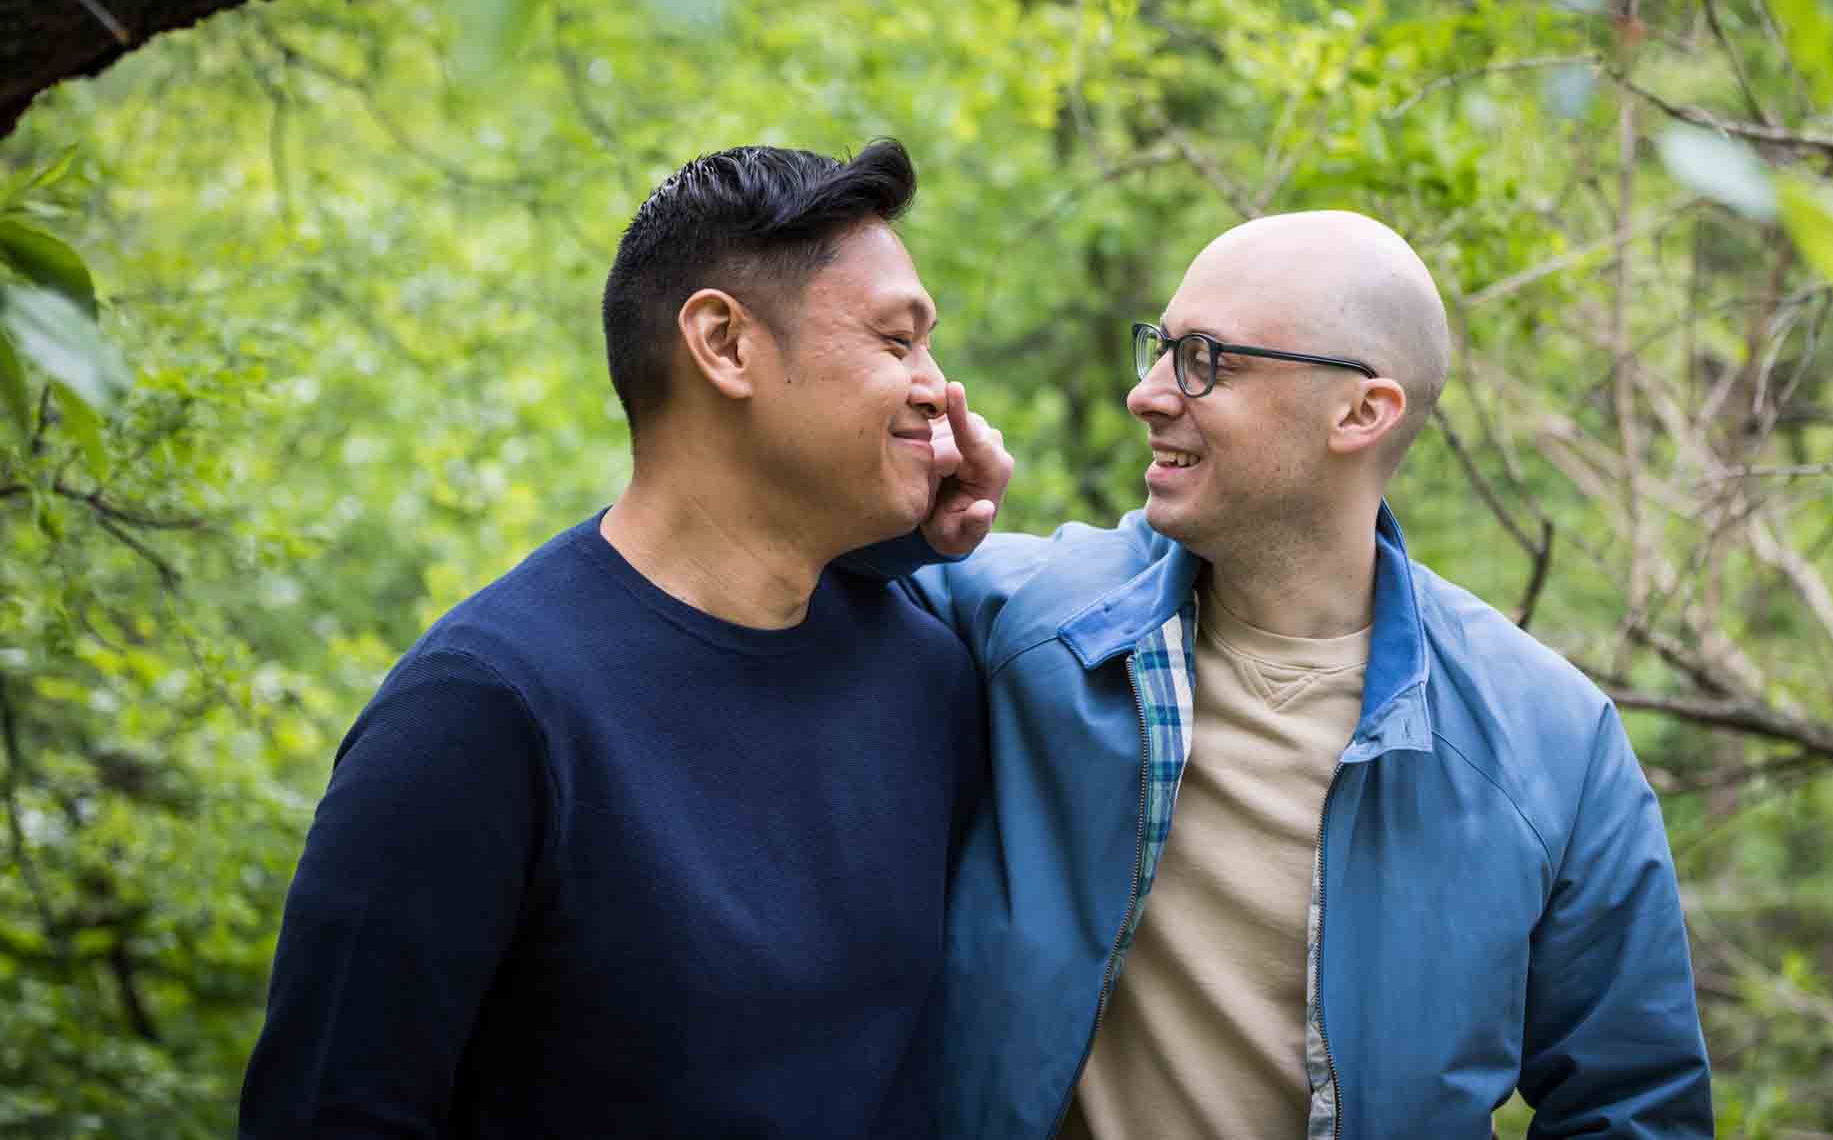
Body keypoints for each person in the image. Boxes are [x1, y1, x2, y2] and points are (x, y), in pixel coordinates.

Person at [239, 140, 1013, 1139]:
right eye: (895, 342)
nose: (937, 390)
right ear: (725, 344)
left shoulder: (924, 673)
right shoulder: (482, 712)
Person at [904, 211, 1712, 1139]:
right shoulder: (1024, 620)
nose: (1151, 394)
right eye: (1159, 350)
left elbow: (1635, 1107)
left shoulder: (1554, 745)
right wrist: (902, 508)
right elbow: (792, 586)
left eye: (1208, 360)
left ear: (1363, 411)